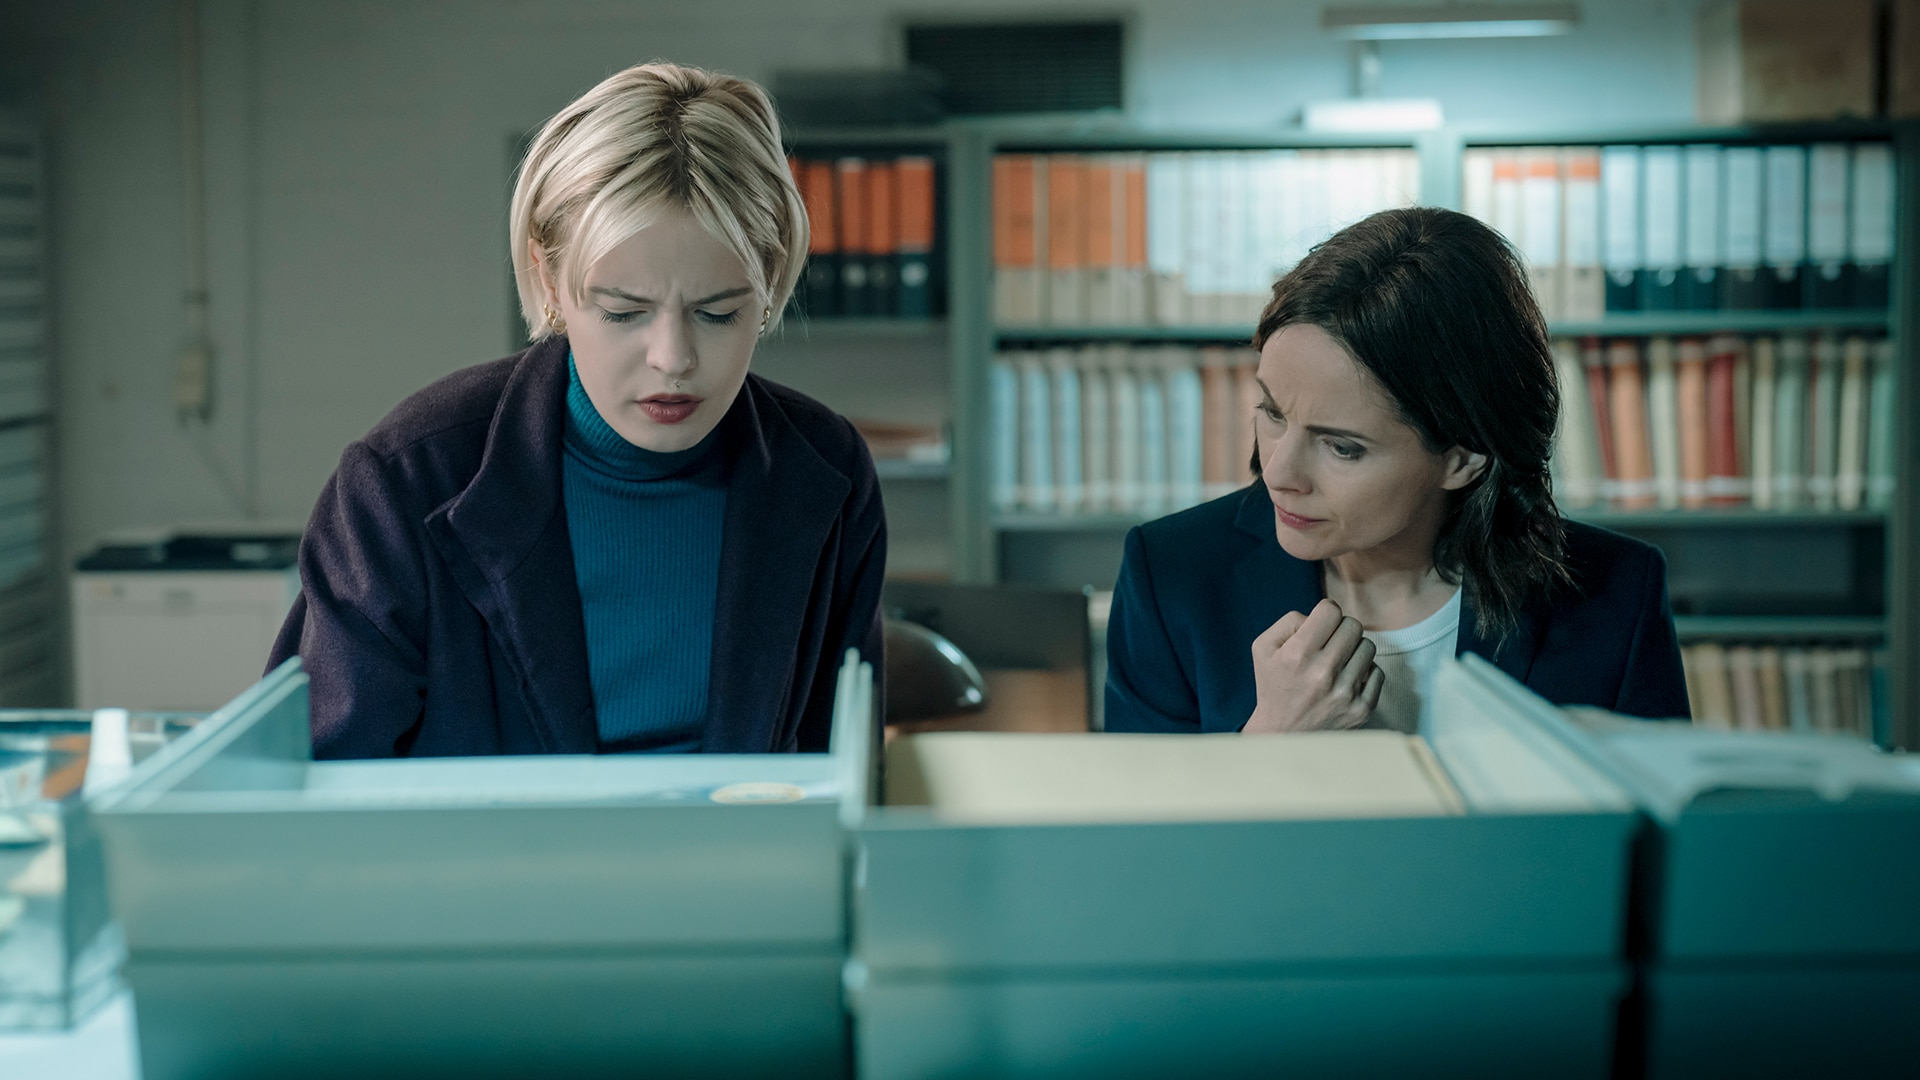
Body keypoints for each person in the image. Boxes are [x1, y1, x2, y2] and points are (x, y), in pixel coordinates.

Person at [269, 61, 885, 758]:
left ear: (770, 285)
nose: (673, 359)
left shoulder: (827, 469)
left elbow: (845, 772)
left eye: (718, 313)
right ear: (549, 280)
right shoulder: (405, 480)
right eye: (623, 312)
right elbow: (317, 788)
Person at [1104, 207, 1689, 735]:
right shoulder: (1171, 575)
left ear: (1463, 457)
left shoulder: (1617, 593)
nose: (1280, 473)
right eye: (1273, 412)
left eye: (1342, 448)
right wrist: (1271, 743)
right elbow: (1145, 824)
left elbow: (1660, 817)